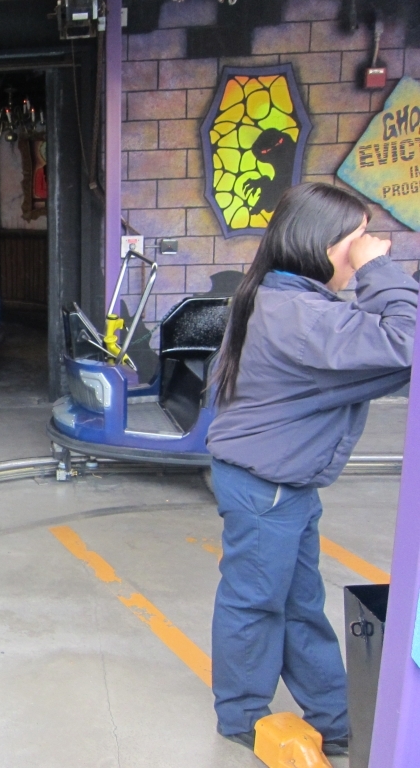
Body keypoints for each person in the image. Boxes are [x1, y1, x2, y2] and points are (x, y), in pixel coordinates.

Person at [206, 182, 416, 757]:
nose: (370, 247)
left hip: (279, 481)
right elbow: (407, 344)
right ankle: (243, 715)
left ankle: (336, 717)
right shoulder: (297, 312)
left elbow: (384, 350)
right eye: (360, 239)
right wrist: (381, 271)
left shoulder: (288, 298)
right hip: (265, 486)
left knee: (296, 603)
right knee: (255, 600)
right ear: (324, 246)